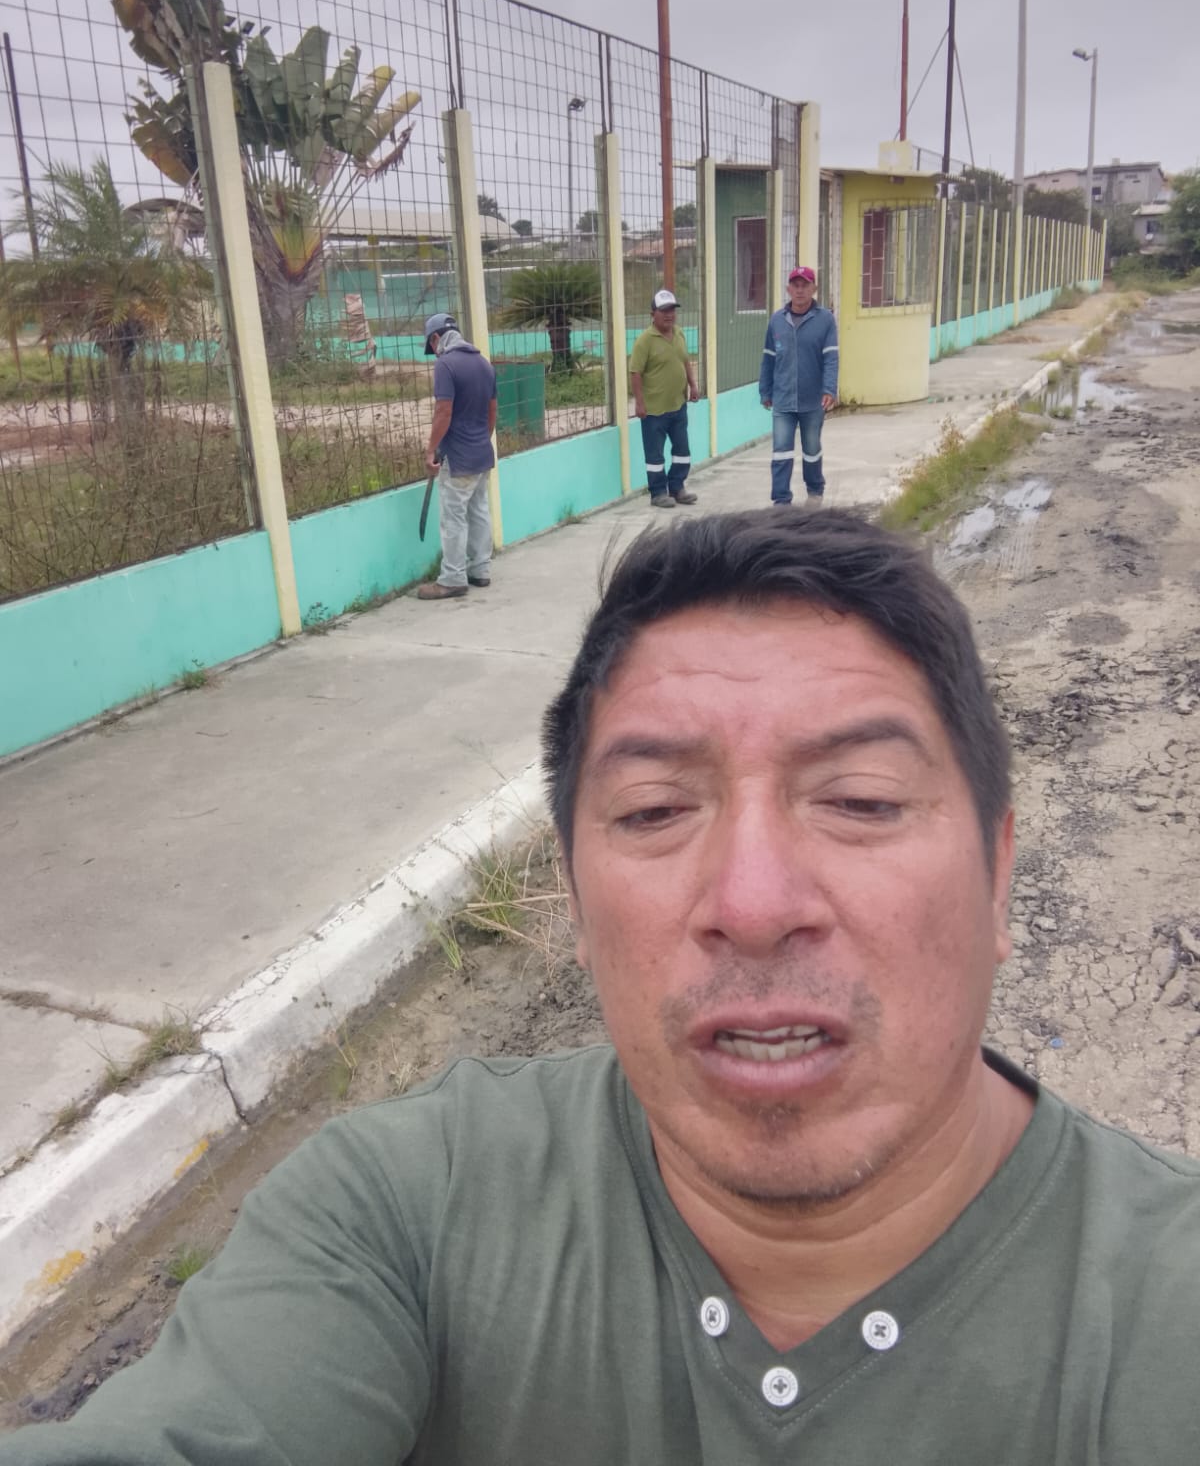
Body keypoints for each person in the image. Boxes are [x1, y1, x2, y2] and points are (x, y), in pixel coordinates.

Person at [7, 510, 1200, 1465]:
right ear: (576, 905)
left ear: (998, 872)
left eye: (860, 800)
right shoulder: (411, 1216)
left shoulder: (1162, 1313)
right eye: (654, 810)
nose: (753, 900)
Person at [416, 312, 497, 600]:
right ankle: (480, 570)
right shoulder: (484, 364)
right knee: (479, 511)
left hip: (458, 457)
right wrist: (480, 440)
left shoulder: (446, 364)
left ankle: (452, 579)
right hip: (481, 454)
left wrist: (431, 450)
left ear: (437, 338)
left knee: (453, 518)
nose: (434, 351)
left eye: (432, 344)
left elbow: (443, 411)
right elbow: (492, 411)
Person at [760, 266, 839, 505]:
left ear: (814, 289)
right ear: (788, 289)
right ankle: (781, 500)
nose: (800, 290)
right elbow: (768, 358)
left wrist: (829, 388)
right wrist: (765, 390)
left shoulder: (825, 320)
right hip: (783, 399)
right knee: (781, 451)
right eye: (796, 285)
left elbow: (831, 357)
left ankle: (815, 491)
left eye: (805, 285)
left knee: (812, 449)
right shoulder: (777, 320)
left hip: (812, 400)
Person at [629, 287, 700, 509]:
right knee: (655, 456)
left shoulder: (679, 334)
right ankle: (658, 493)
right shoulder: (645, 341)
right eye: (664, 311)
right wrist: (639, 403)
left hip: (678, 406)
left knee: (682, 451)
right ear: (653, 314)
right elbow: (635, 372)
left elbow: (685, 361)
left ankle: (677, 488)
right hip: (654, 411)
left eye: (672, 310)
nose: (669, 315)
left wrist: (693, 385)